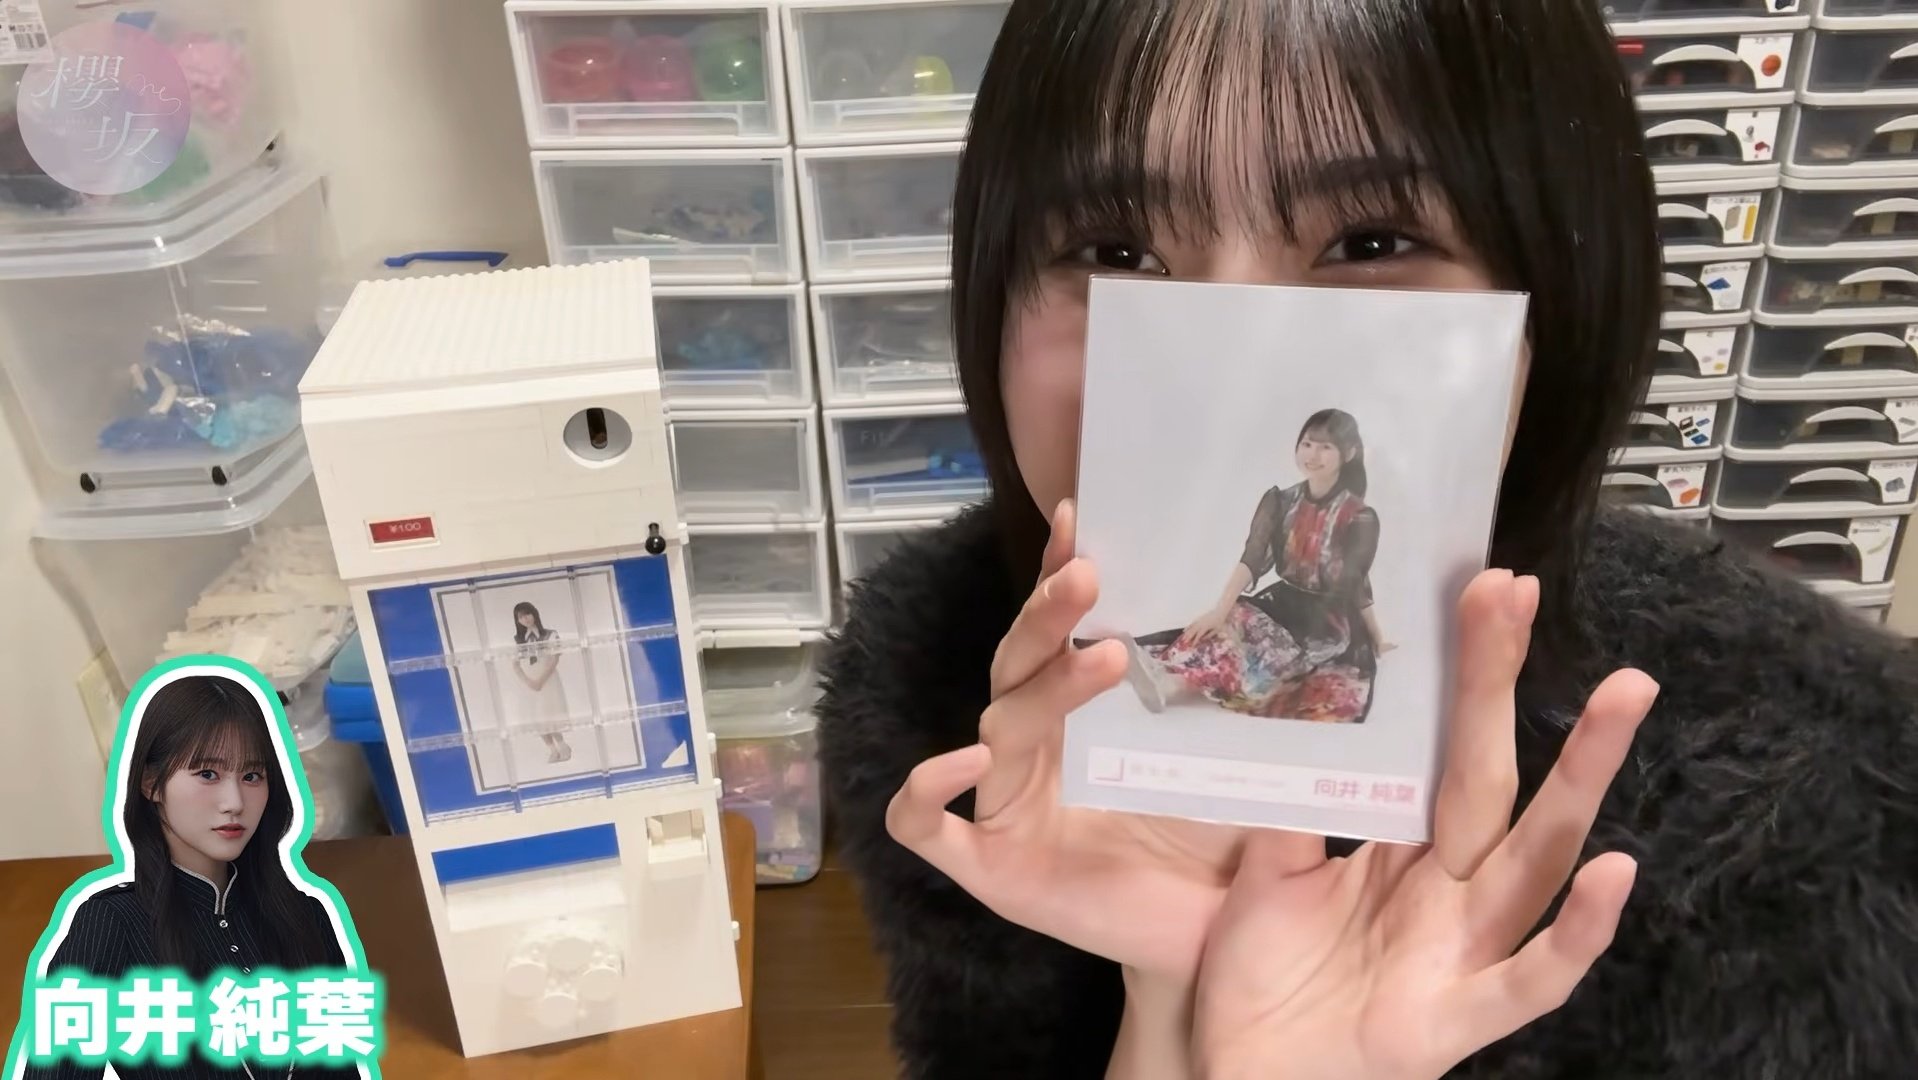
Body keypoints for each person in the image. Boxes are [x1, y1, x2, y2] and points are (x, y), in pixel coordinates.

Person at [814, 1, 1918, 1078]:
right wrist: (1177, 1003)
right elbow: (1243, 575)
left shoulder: (1818, 829)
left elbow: (1341, 594)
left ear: (1553, 312)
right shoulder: (934, 699)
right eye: (1117, 250)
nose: (1228, 372)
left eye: (1369, 242)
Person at [25, 675, 354, 1080]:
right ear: (151, 783)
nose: (234, 802)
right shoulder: (111, 924)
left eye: (252, 776)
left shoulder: (306, 914)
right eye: (207, 774)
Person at [1122, 408, 1381, 722]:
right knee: (1236, 618)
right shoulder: (1281, 502)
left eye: (1326, 447)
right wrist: (1219, 610)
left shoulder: (1358, 516)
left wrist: (1376, 635)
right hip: (1284, 601)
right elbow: (1252, 558)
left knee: (1266, 653)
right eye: (1307, 444)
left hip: (1325, 622)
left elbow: (1356, 582)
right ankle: (1164, 671)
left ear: (1348, 454)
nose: (1313, 455)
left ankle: (1172, 684)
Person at [511, 601, 573, 763]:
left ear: (534, 613)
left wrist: (541, 680)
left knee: (550, 713)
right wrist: (528, 682)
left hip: (548, 678)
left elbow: (554, 659)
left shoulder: (550, 634)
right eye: (521, 617)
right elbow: (515, 665)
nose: (525, 619)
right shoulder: (518, 640)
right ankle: (552, 750)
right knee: (537, 716)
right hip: (529, 682)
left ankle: (562, 746)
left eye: (527, 614)